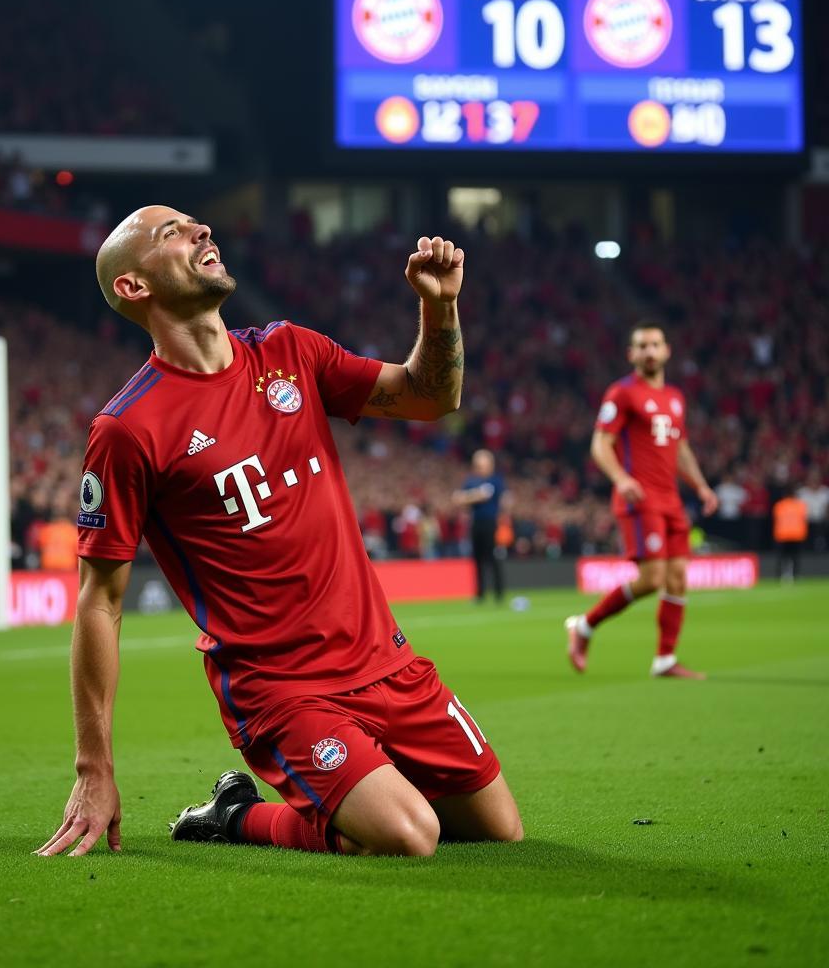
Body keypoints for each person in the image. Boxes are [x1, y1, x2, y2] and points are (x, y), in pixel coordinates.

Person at [36, 206, 522, 860]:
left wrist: (440, 309)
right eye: (169, 234)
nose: (202, 230)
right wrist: (94, 771)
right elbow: (100, 600)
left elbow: (428, 398)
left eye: (196, 224)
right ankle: (237, 818)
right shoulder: (129, 429)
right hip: (284, 690)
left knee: (498, 829)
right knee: (410, 837)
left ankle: (356, 788)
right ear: (133, 287)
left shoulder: (290, 350)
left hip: (389, 662)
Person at [564, 322, 718, 679]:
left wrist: (701, 487)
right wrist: (621, 478)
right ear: (631, 354)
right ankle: (585, 625)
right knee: (652, 579)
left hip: (671, 500)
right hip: (640, 498)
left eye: (655, 344)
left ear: (667, 351)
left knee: (678, 577)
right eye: (642, 346)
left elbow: (680, 448)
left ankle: (665, 659)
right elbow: (600, 443)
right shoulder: (622, 393)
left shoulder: (676, 398)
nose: (649, 351)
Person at [452, 449, 507, 604]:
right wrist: (475, 496)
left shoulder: (496, 480)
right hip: (476, 522)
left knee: (492, 557)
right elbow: (458, 499)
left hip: (491, 523)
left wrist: (468, 497)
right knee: (477, 559)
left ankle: (499, 593)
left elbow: (483, 496)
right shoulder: (471, 480)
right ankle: (480, 594)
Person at [771, 488, 808, 583]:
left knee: (782, 557)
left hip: (782, 535)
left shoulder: (779, 505)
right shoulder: (801, 505)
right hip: (797, 535)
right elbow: (804, 519)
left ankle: (780, 575)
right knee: (795, 557)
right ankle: (795, 575)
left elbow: (776, 518)